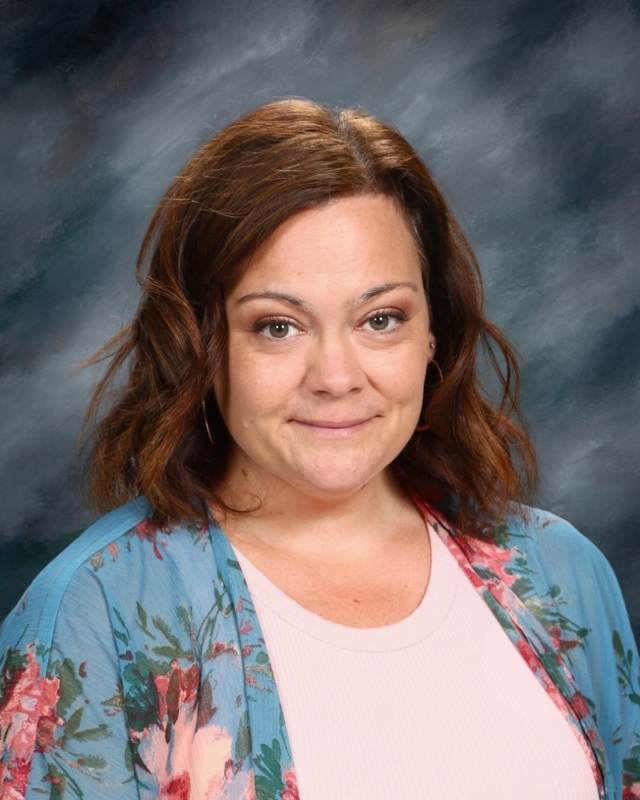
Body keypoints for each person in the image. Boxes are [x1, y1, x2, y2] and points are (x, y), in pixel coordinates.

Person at [0, 99, 638, 800]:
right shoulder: (95, 615)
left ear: (433, 335)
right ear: (201, 346)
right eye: (278, 326)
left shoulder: (561, 575)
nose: (336, 377)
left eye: (380, 319)